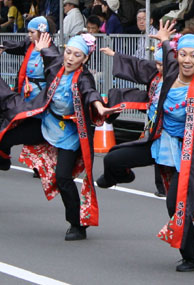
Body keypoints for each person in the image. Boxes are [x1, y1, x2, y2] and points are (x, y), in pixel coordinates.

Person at [97, 20, 194, 271]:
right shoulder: (169, 73)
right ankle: (121, 176)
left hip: (188, 151)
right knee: (113, 159)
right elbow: (163, 55)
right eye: (183, 54)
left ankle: (193, 256)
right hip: (159, 139)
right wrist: (164, 40)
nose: (187, 60)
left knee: (175, 204)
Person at [0, 33, 120, 240]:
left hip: (70, 133)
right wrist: (41, 47)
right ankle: (3, 159)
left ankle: (76, 225)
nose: (71, 58)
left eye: (77, 55)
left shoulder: (83, 78)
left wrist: (99, 104)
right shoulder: (57, 65)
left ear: (85, 59)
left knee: (63, 178)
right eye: (69, 52)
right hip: (48, 121)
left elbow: (90, 92)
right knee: (7, 132)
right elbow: (50, 54)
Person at [99, 46, 167, 197]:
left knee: (166, 154)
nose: (159, 67)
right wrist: (116, 54)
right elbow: (139, 65)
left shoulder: (181, 81)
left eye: (163, 64)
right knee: (115, 157)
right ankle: (120, 175)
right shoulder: (156, 74)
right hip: (154, 122)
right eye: (158, 64)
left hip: (171, 129)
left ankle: (164, 186)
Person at [0, 16, 57, 102]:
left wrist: (43, 51)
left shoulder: (51, 51)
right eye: (28, 32)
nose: (29, 35)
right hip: (25, 89)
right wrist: (4, 46)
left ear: (42, 33)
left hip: (40, 93)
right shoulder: (29, 44)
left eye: (32, 32)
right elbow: (19, 46)